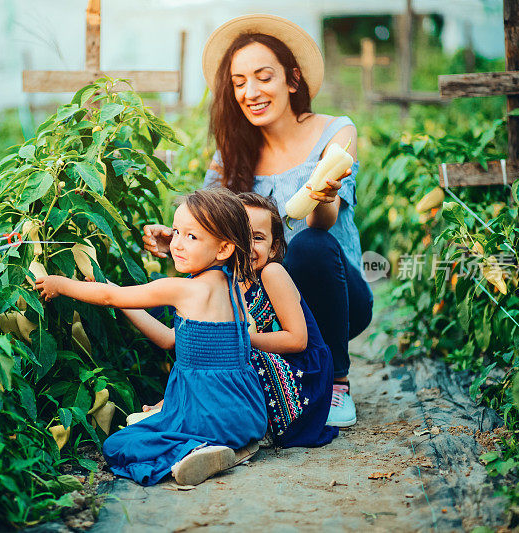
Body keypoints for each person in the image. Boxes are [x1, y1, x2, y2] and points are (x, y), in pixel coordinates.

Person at [143, 14, 373, 427]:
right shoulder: (232, 155)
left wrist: (324, 195)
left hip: (336, 297)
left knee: (309, 245)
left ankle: (337, 382)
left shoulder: (335, 133)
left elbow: (326, 220)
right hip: (264, 308)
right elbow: (210, 231)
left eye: (263, 77)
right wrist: (177, 238)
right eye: (239, 82)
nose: (251, 92)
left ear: (292, 79)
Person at [35, 188, 266, 486]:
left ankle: (196, 450)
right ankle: (232, 447)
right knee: (150, 424)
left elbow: (109, 298)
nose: (177, 245)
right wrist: (111, 287)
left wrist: (61, 284)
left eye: (191, 237)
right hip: (244, 411)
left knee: (118, 445)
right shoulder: (233, 286)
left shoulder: (184, 289)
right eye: (176, 232)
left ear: (223, 249)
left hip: (206, 413)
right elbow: (168, 339)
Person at [239, 192, 338, 447]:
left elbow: (298, 340)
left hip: (301, 378)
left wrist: (244, 339)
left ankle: (250, 428)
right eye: (238, 235)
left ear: (273, 247)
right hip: (268, 365)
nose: (247, 246)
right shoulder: (226, 282)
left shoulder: (272, 273)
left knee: (234, 352)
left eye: (258, 238)